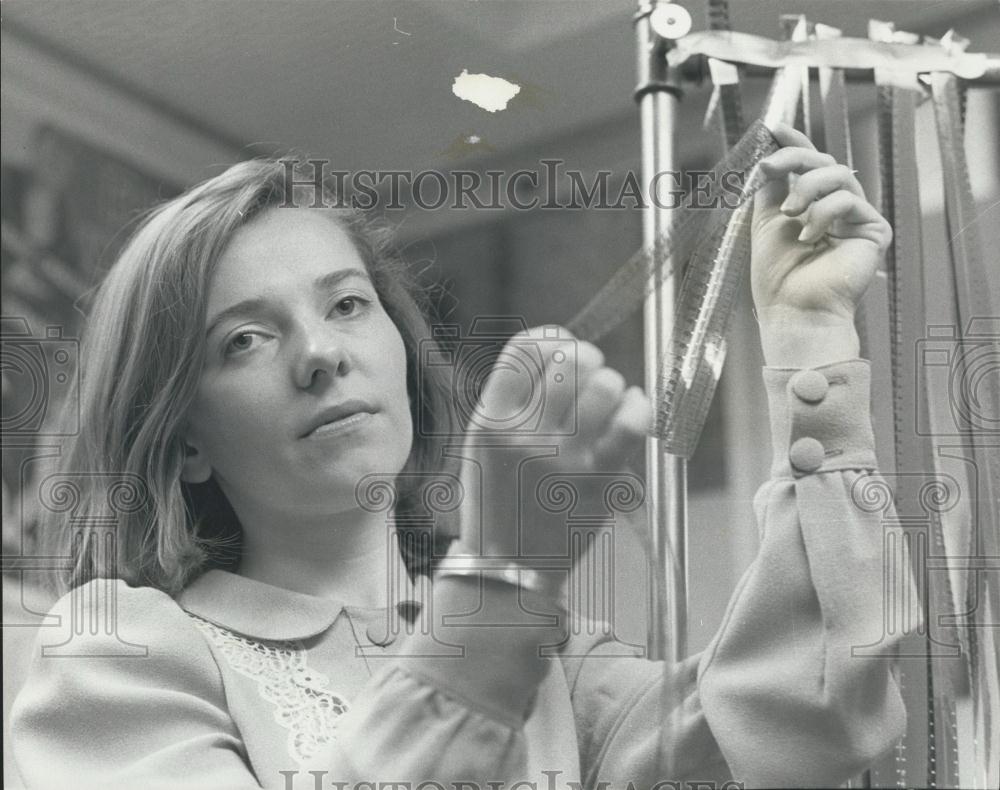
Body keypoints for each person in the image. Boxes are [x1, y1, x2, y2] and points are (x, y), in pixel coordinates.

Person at [10, 124, 906, 790]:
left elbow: (809, 718)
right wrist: (501, 583)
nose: (320, 352)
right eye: (244, 339)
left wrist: (811, 338)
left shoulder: (561, 667)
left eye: (348, 305)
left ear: (400, 346)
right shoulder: (121, 653)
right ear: (186, 441)